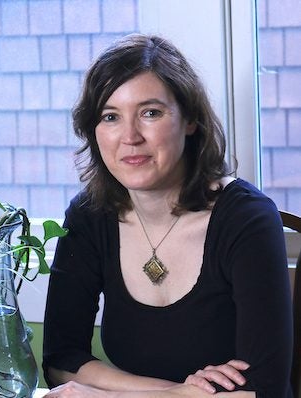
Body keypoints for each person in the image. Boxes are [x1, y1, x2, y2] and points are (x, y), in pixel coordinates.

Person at [42, 33, 293, 398]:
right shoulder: (89, 216)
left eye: (150, 113)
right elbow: (61, 360)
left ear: (189, 119)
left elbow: (265, 390)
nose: (130, 136)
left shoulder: (247, 219)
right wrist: (176, 392)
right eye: (110, 116)